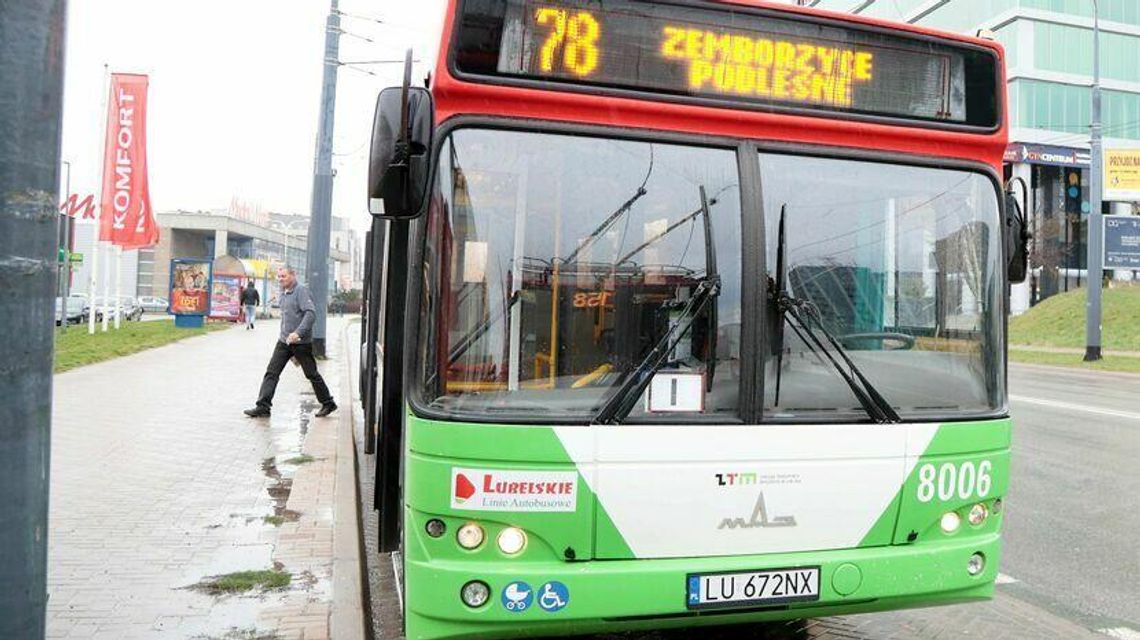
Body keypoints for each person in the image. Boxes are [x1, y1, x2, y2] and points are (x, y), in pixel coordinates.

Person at [244, 267, 337, 418]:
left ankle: (328, 403)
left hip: (300, 343)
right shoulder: (283, 293)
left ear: (293, 276)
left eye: (284, 276)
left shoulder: (301, 291)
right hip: (284, 341)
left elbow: (310, 314)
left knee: (311, 374)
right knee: (272, 372)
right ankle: (263, 406)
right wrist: (286, 336)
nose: (281, 279)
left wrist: (298, 333)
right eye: (279, 277)